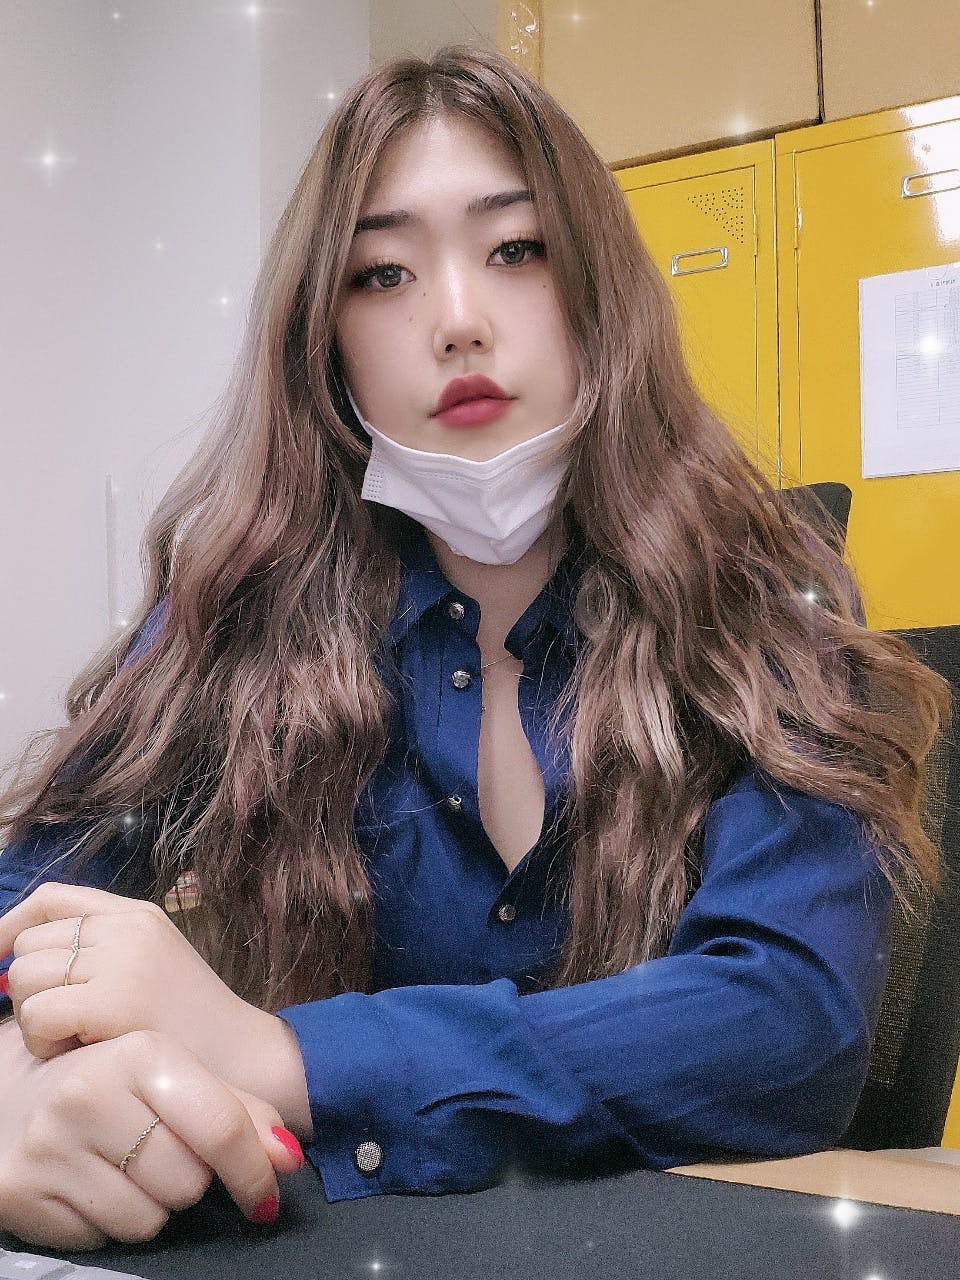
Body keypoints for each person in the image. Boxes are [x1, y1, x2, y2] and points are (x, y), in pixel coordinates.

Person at [0, 45, 950, 1252]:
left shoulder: (768, 598)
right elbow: (22, 910)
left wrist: (279, 1052)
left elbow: (788, 1025)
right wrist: (11, 1083)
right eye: (382, 273)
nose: (456, 321)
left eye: (517, 249)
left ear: (598, 288)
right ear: (325, 341)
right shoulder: (234, 610)